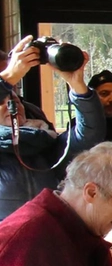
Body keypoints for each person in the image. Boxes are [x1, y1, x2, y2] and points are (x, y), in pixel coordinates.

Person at [0, 34, 104, 221]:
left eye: (14, 99)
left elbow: (90, 134)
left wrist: (76, 84)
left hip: (45, 240)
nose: (11, 105)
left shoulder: (43, 141)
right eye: (2, 99)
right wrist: (9, 76)